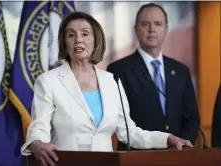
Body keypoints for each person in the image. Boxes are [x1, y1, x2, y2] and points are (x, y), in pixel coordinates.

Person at [21, 11, 193, 166]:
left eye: (85, 34)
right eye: (71, 35)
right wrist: (37, 142)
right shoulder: (48, 81)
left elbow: (129, 133)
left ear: (96, 40)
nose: (78, 39)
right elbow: (39, 126)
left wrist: (167, 138)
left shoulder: (111, 81)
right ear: (65, 42)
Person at [107, 3, 200, 151]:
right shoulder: (119, 70)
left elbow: (192, 118)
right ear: (136, 29)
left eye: (158, 24)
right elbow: (120, 124)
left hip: (178, 155)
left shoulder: (181, 71)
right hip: (136, 156)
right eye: (145, 24)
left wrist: (181, 146)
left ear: (166, 30)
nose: (152, 30)